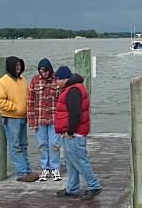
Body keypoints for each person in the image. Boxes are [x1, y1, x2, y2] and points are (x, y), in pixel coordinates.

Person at [54, 66, 102, 200]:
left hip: (74, 134)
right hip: (71, 133)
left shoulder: (73, 90)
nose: (56, 82)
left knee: (79, 161)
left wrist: (70, 131)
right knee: (70, 162)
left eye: (57, 79)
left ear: (63, 79)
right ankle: (72, 188)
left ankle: (93, 185)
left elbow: (75, 112)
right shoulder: (73, 88)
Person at [0, 56, 39, 182]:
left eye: (20, 65)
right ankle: (22, 173)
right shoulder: (3, 82)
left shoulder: (22, 79)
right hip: (11, 118)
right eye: (16, 65)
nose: (18, 68)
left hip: (23, 117)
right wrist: (15, 107)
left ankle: (27, 170)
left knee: (24, 145)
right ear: (10, 66)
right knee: (15, 146)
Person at [27, 58, 61, 181]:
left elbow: (62, 100)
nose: (44, 73)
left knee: (54, 144)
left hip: (54, 119)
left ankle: (55, 167)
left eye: (46, 70)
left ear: (50, 70)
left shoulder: (57, 79)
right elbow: (30, 101)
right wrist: (31, 120)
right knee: (42, 144)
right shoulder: (35, 80)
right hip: (39, 119)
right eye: (41, 71)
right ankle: (45, 168)